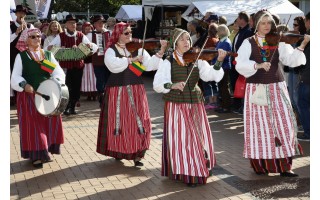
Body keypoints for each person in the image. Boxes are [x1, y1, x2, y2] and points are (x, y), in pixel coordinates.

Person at [235, 10, 310, 177]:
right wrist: (257, 66)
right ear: (256, 24)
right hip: (256, 89)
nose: (267, 26)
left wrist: (303, 45)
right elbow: (239, 64)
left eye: (269, 23)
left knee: (285, 124)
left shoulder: (279, 41)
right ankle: (261, 165)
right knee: (260, 127)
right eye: (263, 23)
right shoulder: (248, 42)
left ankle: (284, 165)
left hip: (277, 87)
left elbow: (291, 60)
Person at [153, 28, 226, 187]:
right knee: (183, 140)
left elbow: (210, 76)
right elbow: (157, 85)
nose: (187, 42)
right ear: (175, 43)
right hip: (176, 105)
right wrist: (172, 85)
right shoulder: (168, 61)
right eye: (182, 39)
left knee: (197, 137)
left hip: (195, 104)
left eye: (188, 39)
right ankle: (189, 171)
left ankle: (197, 167)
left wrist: (219, 60)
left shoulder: (197, 58)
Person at [96, 22, 167, 167]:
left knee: (139, 120)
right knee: (120, 121)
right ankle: (119, 150)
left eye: (130, 32)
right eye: (126, 33)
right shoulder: (111, 50)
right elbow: (113, 66)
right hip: (117, 91)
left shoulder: (137, 48)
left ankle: (137, 154)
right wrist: (130, 60)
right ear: (118, 34)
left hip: (137, 90)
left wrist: (161, 51)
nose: (130, 35)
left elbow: (150, 66)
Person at [10, 28, 66, 168]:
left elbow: (57, 72)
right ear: (26, 40)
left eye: (39, 36)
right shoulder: (22, 56)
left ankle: (46, 149)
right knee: (33, 126)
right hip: (29, 96)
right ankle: (37, 156)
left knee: (49, 123)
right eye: (33, 37)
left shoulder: (46, 55)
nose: (37, 39)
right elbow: (15, 76)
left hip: (47, 95)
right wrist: (24, 84)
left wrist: (56, 82)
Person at [46, 14, 98, 115]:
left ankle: (73, 107)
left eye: (74, 23)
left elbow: (92, 47)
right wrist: (59, 49)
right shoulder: (60, 36)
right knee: (66, 87)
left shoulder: (80, 35)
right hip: (65, 66)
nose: (73, 24)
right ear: (66, 24)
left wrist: (85, 46)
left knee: (76, 87)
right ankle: (66, 107)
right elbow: (49, 47)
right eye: (70, 23)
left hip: (78, 65)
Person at [10, 5, 34, 106]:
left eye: (23, 13)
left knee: (26, 72)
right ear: (16, 14)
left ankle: (26, 95)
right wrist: (16, 32)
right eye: (19, 12)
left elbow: (35, 37)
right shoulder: (9, 25)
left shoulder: (30, 26)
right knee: (14, 74)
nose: (21, 14)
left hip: (25, 53)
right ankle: (16, 97)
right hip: (13, 53)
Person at [230, 11, 254, 114]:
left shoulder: (247, 32)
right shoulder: (241, 31)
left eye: (238, 19)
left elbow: (245, 49)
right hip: (236, 61)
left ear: (242, 19)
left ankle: (241, 106)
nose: (236, 21)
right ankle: (238, 105)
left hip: (242, 62)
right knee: (235, 83)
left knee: (241, 84)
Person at [90, 15, 112, 106]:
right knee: (100, 80)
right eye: (98, 22)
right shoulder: (90, 34)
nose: (101, 24)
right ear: (94, 24)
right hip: (97, 61)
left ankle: (108, 98)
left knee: (109, 80)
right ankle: (102, 99)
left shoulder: (109, 33)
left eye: (102, 22)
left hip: (109, 61)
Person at [296, 12, 310, 141]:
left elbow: (302, 58)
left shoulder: (308, 37)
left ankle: (308, 132)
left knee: (303, 104)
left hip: (307, 77)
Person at [214, 24, 232, 113]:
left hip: (224, 67)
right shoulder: (221, 41)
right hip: (221, 66)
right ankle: (223, 105)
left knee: (224, 87)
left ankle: (226, 106)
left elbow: (223, 56)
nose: (216, 32)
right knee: (221, 87)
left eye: (218, 31)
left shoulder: (226, 42)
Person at [80, 22, 97, 101]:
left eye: (89, 29)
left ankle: (94, 93)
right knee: (86, 78)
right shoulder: (82, 37)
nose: (88, 30)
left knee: (93, 77)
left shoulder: (94, 37)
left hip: (93, 60)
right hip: (85, 60)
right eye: (86, 29)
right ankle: (88, 94)